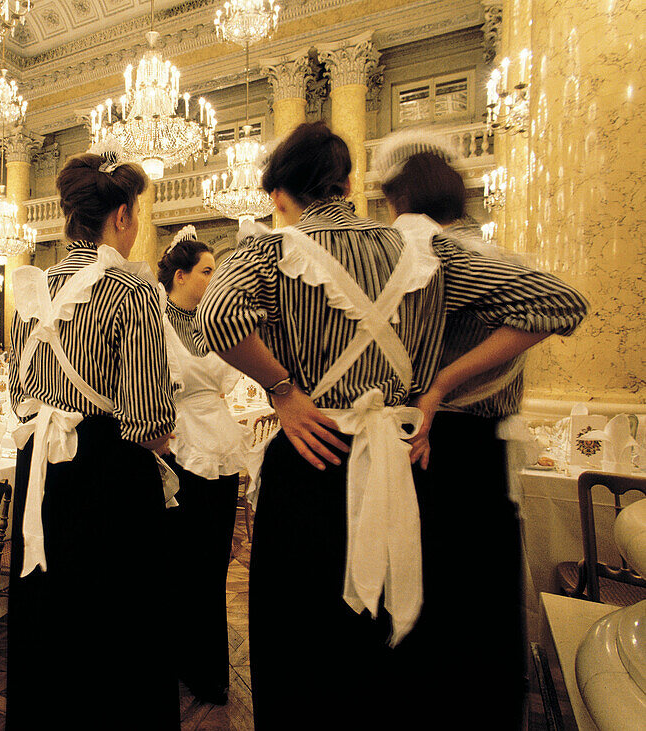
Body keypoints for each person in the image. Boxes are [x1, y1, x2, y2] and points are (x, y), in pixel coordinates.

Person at [195, 122, 588, 728]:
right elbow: (558, 302)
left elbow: (216, 319)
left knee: (303, 638)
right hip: (405, 465)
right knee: (392, 646)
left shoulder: (271, 250)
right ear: (348, 184)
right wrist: (438, 389)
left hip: (313, 455)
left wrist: (283, 392)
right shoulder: (422, 251)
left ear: (278, 195)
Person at [373, 132, 588, 725]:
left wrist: (441, 383)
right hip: (465, 448)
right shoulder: (474, 250)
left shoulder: (434, 252)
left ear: (400, 198)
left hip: (443, 445)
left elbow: (559, 303)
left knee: (434, 598)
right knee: (471, 603)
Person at [7, 151, 179, 729]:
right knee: (117, 631)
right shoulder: (130, 288)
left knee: (49, 620)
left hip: (40, 469)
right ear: (124, 216)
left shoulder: (29, 289)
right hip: (109, 472)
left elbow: (16, 398)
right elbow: (150, 418)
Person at [155, 225, 249, 705]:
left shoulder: (216, 322)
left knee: (213, 563)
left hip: (220, 444)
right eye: (208, 270)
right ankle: (179, 658)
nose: (216, 277)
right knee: (181, 563)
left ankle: (207, 667)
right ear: (180, 274)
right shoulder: (155, 319)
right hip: (178, 445)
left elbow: (231, 376)